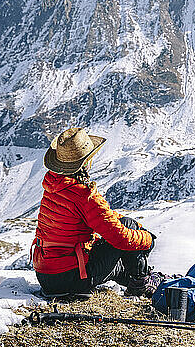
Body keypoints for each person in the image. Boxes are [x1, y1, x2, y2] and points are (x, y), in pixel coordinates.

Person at [31, 126, 165, 298]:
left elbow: (94, 217)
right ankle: (141, 283)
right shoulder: (84, 195)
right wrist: (147, 239)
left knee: (120, 257)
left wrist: (117, 220)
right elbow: (120, 238)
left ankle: (141, 280)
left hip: (46, 276)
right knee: (128, 228)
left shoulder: (53, 186)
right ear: (86, 162)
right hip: (71, 278)